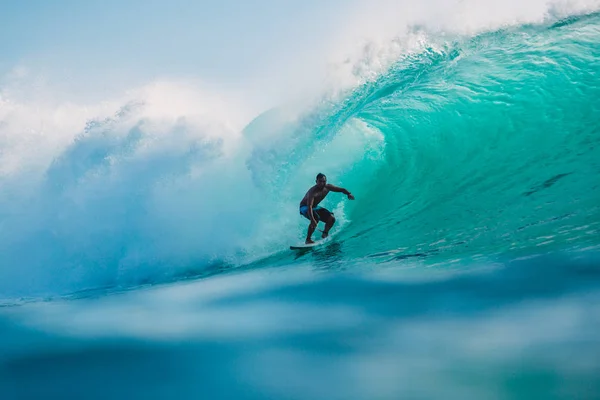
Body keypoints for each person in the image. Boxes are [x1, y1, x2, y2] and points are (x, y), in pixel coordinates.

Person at [299, 173, 354, 244]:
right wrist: (312, 220)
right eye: (320, 181)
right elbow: (309, 206)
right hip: (304, 207)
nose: (322, 183)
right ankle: (308, 239)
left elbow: (341, 189)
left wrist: (348, 193)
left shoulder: (328, 187)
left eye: (324, 181)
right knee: (315, 218)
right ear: (316, 181)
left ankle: (325, 233)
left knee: (331, 218)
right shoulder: (312, 192)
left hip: (315, 207)